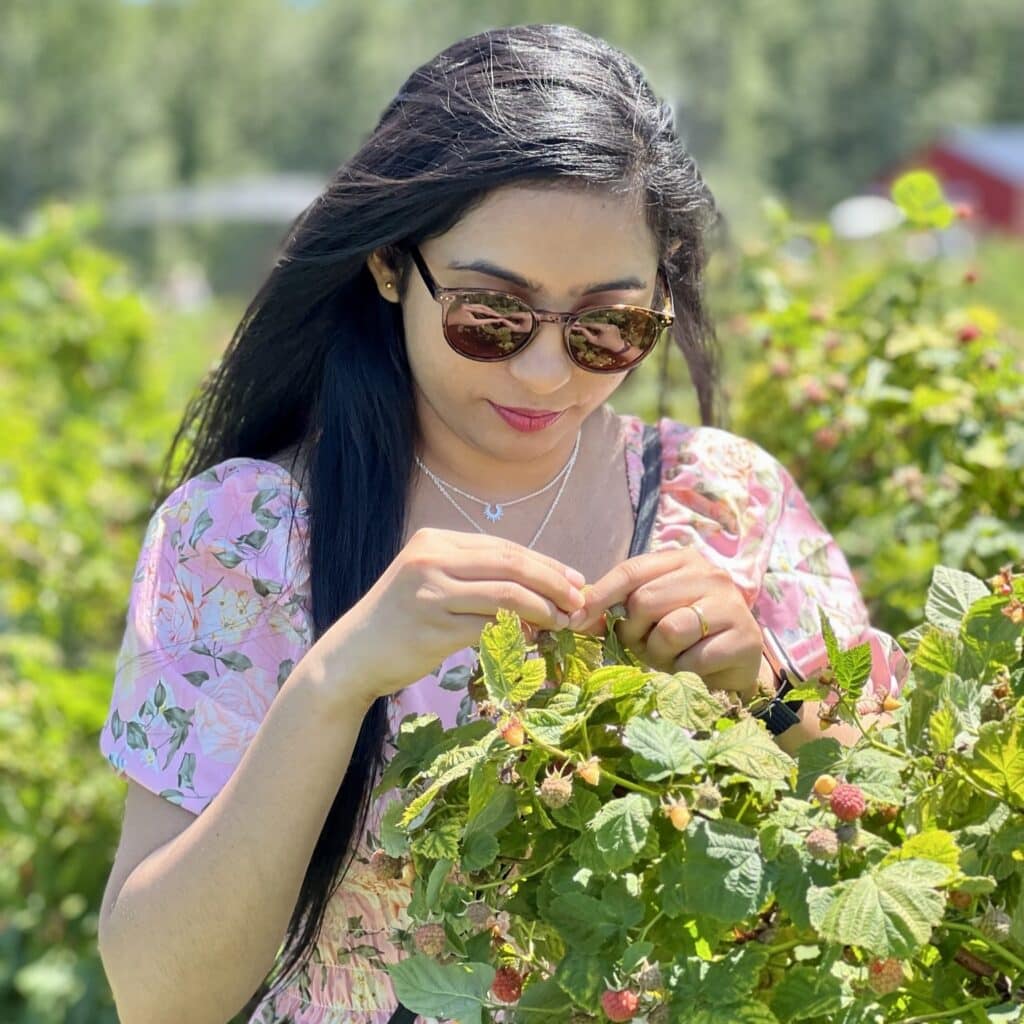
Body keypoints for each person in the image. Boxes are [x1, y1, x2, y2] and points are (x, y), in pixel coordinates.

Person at [95, 23, 909, 1024]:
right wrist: (335, 680)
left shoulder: (728, 501)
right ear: (391, 267)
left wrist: (770, 691)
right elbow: (157, 997)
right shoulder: (245, 535)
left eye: (609, 324)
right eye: (490, 314)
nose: (544, 371)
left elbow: (896, 876)